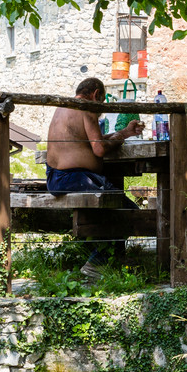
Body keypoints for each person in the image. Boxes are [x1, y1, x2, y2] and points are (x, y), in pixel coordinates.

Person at [44, 77, 144, 277]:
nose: (102, 107)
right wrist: (117, 142)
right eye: (103, 101)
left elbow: (90, 140)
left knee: (115, 202)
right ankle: (98, 262)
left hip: (57, 177)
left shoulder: (64, 107)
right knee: (129, 210)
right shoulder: (86, 106)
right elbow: (99, 149)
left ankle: (114, 257)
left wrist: (123, 133)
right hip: (72, 178)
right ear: (97, 94)